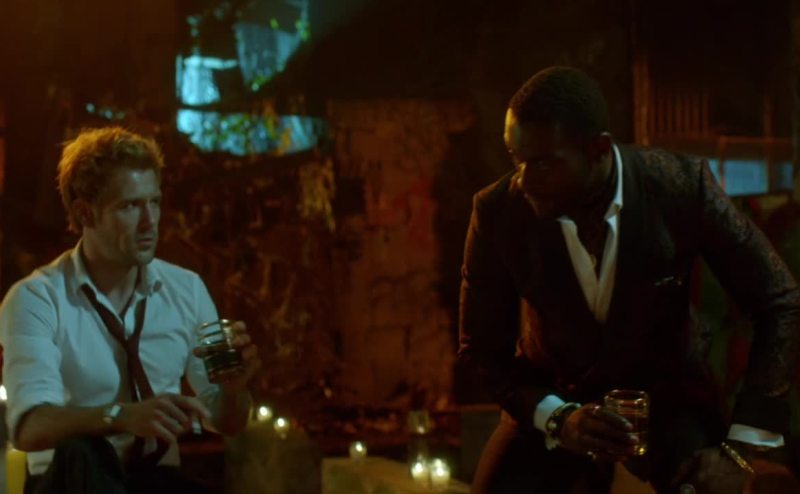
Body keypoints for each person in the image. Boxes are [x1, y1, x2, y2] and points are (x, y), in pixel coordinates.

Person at [458, 66, 800, 493]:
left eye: (543, 163)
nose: (524, 180)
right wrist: (557, 417)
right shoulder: (497, 211)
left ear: (599, 149)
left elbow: (779, 301)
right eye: (517, 159)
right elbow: (479, 348)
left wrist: (742, 449)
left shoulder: (681, 186)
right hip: (552, 402)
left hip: (670, 404)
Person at [0, 127, 261, 493]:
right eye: (130, 206)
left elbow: (228, 423)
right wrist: (121, 416)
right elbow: (30, 428)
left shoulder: (185, 289)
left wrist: (233, 391)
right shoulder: (37, 298)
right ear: (85, 213)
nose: (149, 222)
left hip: (155, 481)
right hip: (73, 482)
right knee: (83, 452)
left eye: (154, 202)